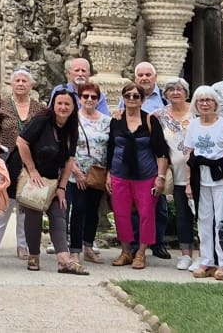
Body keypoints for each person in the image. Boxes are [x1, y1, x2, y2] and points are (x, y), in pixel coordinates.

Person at [17, 88, 84, 274]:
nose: (63, 107)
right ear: (53, 105)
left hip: (54, 180)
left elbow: (70, 160)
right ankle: (34, 256)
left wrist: (62, 186)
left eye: (67, 104)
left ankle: (64, 260)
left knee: (60, 213)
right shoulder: (42, 121)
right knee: (34, 215)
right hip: (35, 176)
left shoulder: (72, 128)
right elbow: (21, 142)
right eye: (59, 103)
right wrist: (32, 170)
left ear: (73, 107)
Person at [106, 81, 170, 269]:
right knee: (121, 214)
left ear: (142, 100)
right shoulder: (116, 120)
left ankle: (141, 253)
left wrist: (161, 177)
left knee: (146, 214)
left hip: (146, 175)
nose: (132, 99)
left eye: (136, 96)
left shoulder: (150, 120)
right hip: (120, 173)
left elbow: (162, 152)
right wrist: (108, 174)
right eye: (128, 96)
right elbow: (111, 148)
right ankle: (126, 251)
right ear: (123, 99)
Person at [0, 67, 44, 259]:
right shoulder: (3, 105)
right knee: (4, 203)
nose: (20, 84)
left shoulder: (39, 108)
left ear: (31, 85)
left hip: (30, 161)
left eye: (24, 81)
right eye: (17, 81)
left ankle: (23, 245)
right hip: (7, 159)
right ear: (11, 84)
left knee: (25, 205)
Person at [185, 85, 223, 280]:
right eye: (201, 101)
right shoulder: (193, 125)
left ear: (215, 103)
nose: (205, 104)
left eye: (209, 100)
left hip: (221, 178)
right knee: (203, 220)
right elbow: (189, 156)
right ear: (196, 104)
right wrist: (188, 184)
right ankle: (207, 260)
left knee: (222, 220)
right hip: (200, 178)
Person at [130, 61, 171, 259]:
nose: (144, 78)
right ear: (135, 78)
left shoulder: (163, 98)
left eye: (148, 75)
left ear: (155, 77)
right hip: (136, 156)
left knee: (159, 203)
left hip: (157, 154)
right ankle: (136, 243)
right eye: (141, 75)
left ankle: (158, 243)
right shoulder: (130, 96)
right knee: (136, 206)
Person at [155, 78, 197, 270]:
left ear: (187, 93)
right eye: (170, 89)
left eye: (180, 89)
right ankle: (185, 255)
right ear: (165, 95)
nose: (175, 92)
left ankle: (207, 255)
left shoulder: (197, 110)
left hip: (201, 172)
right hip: (178, 173)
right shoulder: (158, 116)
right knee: (183, 215)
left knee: (205, 215)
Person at [68, 80, 110, 264]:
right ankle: (75, 250)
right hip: (76, 173)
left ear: (98, 99)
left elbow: (111, 147)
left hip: (97, 173)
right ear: (79, 98)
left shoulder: (107, 121)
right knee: (78, 210)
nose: (89, 99)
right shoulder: (73, 119)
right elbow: (66, 147)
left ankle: (88, 246)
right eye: (86, 96)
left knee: (93, 211)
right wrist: (76, 172)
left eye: (93, 97)